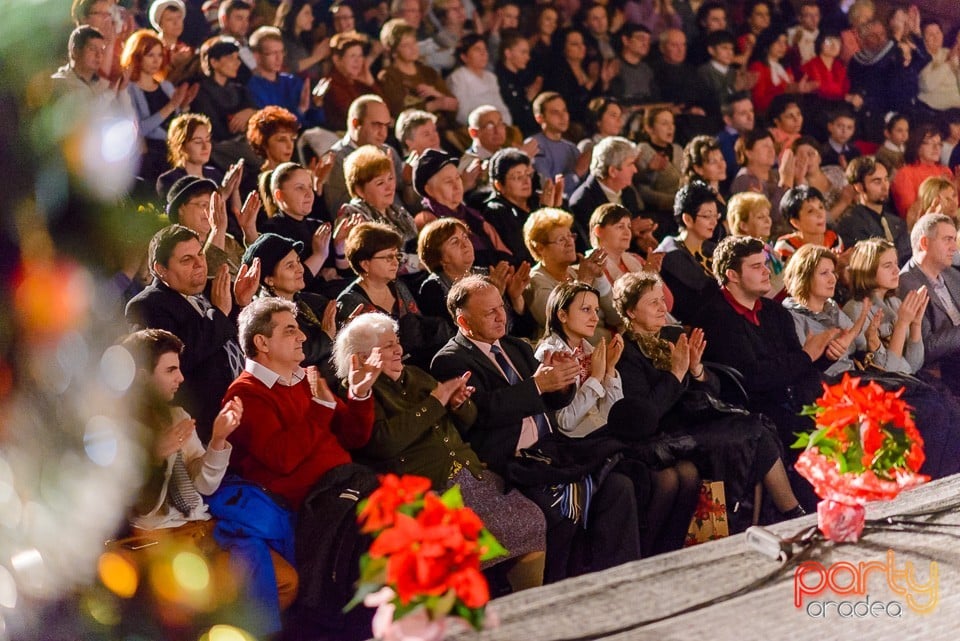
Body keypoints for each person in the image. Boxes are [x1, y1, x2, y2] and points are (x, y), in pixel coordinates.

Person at [430, 275, 642, 581]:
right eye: (489, 312)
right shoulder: (450, 359)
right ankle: (560, 594)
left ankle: (621, 581)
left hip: (550, 450)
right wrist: (538, 385)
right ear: (464, 321)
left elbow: (552, 402)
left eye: (501, 306)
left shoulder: (514, 347)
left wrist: (561, 381)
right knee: (556, 516)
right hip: (509, 462)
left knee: (619, 486)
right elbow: (482, 413)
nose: (501, 315)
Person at [334, 312, 548, 592]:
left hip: (468, 474)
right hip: (427, 488)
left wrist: (459, 404)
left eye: (396, 341)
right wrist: (436, 402)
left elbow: (468, 420)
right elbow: (383, 442)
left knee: (531, 519)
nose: (398, 349)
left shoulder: (416, 375)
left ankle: (529, 606)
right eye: (387, 346)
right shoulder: (360, 393)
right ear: (361, 358)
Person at [120, 328, 299, 629]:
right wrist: (155, 455)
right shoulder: (119, 425)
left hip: (203, 527)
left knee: (288, 581)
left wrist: (218, 440)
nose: (181, 378)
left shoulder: (176, 415)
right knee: (243, 590)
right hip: (160, 540)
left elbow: (203, 487)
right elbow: (135, 508)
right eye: (171, 370)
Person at [612, 271, 805, 528]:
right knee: (752, 433)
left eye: (662, 300)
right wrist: (676, 373)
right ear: (631, 312)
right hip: (665, 433)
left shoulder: (672, 335)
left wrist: (697, 371)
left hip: (692, 421)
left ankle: (779, 514)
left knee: (757, 425)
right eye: (652, 302)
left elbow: (713, 388)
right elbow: (648, 413)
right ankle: (786, 514)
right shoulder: (625, 352)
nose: (663, 307)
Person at [782, 242, 960, 478]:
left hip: (861, 378)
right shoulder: (796, 316)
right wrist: (899, 327)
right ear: (804, 276)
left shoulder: (836, 309)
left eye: (833, 272)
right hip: (833, 388)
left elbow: (904, 364)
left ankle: (945, 479)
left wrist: (912, 325)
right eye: (824, 273)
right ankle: (933, 480)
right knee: (931, 407)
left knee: (942, 404)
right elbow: (889, 366)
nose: (832, 278)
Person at [694, 235, 838, 508]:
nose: (766, 272)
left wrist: (823, 358)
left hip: (788, 397)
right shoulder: (715, 318)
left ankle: (850, 502)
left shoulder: (774, 312)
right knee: (807, 430)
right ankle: (810, 513)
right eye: (756, 267)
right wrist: (808, 355)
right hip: (750, 408)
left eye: (765, 264)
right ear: (732, 275)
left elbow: (796, 365)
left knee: (842, 412)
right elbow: (753, 378)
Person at [224, 296, 381, 509]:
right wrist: (320, 409)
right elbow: (283, 459)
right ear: (262, 342)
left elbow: (354, 438)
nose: (303, 336)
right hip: (305, 505)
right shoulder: (245, 393)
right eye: (290, 331)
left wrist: (359, 394)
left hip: (344, 485)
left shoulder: (308, 377)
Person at [125, 225, 259, 441]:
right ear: (161, 269)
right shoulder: (146, 306)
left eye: (200, 254)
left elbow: (236, 336)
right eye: (186, 260)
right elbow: (180, 358)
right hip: (206, 422)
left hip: (249, 402)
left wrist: (242, 303)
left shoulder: (211, 288)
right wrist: (220, 314)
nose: (200, 264)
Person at [336, 222, 452, 369]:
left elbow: (420, 323)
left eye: (396, 256)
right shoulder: (350, 301)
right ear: (365, 264)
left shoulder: (398, 286)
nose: (395, 262)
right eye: (388, 257)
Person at [241, 233, 337, 377]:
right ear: (269, 280)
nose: (300, 269)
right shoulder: (265, 317)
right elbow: (294, 357)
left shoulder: (312, 302)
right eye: (290, 266)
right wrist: (327, 337)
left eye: (298, 261)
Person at [522, 207, 615, 341]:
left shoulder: (578, 270)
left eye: (570, 236)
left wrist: (600, 277)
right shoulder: (535, 281)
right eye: (561, 239)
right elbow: (565, 325)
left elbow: (615, 316)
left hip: (605, 343)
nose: (570, 243)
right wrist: (584, 280)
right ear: (540, 248)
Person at [413, 148, 513, 267]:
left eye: (458, 178)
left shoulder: (473, 215)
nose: (457, 186)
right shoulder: (427, 220)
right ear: (429, 190)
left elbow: (503, 251)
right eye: (448, 181)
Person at [121, 28, 197, 185]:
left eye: (160, 55)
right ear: (137, 57)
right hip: (150, 152)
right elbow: (140, 129)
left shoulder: (166, 86)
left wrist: (183, 107)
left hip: (173, 147)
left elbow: (175, 121)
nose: (156, 61)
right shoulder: (130, 89)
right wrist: (171, 106)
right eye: (150, 55)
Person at [843, 238, 927, 375]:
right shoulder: (855, 310)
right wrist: (901, 324)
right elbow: (887, 371)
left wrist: (916, 324)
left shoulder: (895, 302)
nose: (897, 270)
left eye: (896, 263)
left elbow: (915, 365)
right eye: (888, 266)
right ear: (867, 270)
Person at [334, 145, 421, 273]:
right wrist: (423, 262)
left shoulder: (398, 211)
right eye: (380, 183)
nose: (389, 187)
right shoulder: (352, 215)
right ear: (359, 190)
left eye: (390, 178)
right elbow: (379, 260)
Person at [899, 214, 960, 391]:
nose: (954, 248)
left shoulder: (953, 275)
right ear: (925, 243)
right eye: (948, 240)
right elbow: (925, 347)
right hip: (943, 369)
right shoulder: (906, 284)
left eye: (954, 240)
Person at [323, 95, 407, 217]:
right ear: (356, 123)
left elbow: (407, 200)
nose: (383, 133)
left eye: (386, 126)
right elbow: (339, 209)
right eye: (376, 125)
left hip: (402, 223)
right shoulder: (336, 159)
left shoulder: (388, 151)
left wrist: (409, 182)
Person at [191, 36, 262, 170]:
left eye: (237, 58)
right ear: (214, 62)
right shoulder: (201, 92)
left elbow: (258, 115)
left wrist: (251, 112)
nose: (237, 63)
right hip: (219, 147)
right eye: (231, 58)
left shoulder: (239, 89)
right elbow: (214, 129)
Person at [258, 162, 334, 287]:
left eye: (310, 187)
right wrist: (319, 256)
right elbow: (294, 283)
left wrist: (340, 245)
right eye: (300, 188)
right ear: (279, 195)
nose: (309, 194)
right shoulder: (271, 231)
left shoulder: (316, 226)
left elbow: (338, 269)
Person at [655, 182, 722, 323]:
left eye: (716, 216)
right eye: (707, 216)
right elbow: (706, 291)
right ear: (688, 219)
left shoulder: (712, 249)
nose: (714, 222)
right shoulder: (671, 253)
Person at [589, 203, 674, 313]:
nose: (627, 232)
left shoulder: (636, 259)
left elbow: (668, 303)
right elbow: (616, 315)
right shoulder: (594, 267)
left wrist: (653, 274)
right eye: (620, 226)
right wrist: (645, 278)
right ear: (598, 231)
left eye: (629, 226)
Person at [377, 18, 458, 127]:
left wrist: (436, 94)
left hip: (441, 129)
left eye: (414, 42)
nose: (413, 48)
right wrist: (434, 105)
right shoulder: (389, 76)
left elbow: (454, 106)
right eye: (405, 45)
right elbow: (399, 113)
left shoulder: (428, 72)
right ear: (394, 51)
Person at [569, 136, 646, 247]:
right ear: (613, 171)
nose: (635, 170)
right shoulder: (582, 202)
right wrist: (629, 230)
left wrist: (641, 238)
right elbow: (591, 245)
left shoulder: (628, 192)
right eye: (630, 164)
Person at [835, 156, 911, 266]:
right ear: (859, 187)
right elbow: (872, 263)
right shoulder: (851, 223)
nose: (885, 187)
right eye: (877, 182)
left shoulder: (895, 221)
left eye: (886, 179)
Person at [730, 128, 797, 235]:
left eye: (772, 146)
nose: (771, 151)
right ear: (748, 153)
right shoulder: (744, 180)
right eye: (765, 147)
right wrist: (785, 183)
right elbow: (771, 217)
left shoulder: (776, 174)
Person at [529, 92, 590, 199]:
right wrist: (576, 173)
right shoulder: (534, 145)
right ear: (540, 118)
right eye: (555, 112)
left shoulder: (571, 148)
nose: (563, 116)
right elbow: (546, 188)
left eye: (564, 110)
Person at [725, 192, 785, 299]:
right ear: (743, 225)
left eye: (768, 215)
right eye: (760, 217)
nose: (768, 221)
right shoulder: (741, 255)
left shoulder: (767, 248)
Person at [747, 27, 816, 116]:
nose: (783, 46)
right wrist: (784, 90)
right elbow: (758, 103)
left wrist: (798, 90)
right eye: (778, 42)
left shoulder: (785, 68)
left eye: (785, 42)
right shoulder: (758, 67)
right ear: (768, 43)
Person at [890, 122, 954, 220]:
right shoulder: (905, 174)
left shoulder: (945, 171)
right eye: (930, 143)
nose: (936, 148)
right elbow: (909, 214)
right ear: (917, 146)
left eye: (939, 144)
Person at [323, 32, 384, 132]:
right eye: (352, 56)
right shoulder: (331, 85)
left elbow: (383, 109)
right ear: (337, 59)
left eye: (360, 56)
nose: (358, 61)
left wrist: (371, 84)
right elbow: (355, 116)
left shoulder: (359, 82)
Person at [447, 33, 511, 128]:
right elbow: (461, 112)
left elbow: (500, 106)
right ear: (464, 57)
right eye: (477, 49)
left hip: (498, 126)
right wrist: (485, 125)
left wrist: (505, 124)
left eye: (485, 49)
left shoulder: (491, 77)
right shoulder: (458, 77)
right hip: (475, 127)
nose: (483, 53)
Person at [635, 109, 683, 229]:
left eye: (672, 123)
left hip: (682, 209)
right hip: (659, 214)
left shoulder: (678, 149)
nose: (670, 128)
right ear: (649, 128)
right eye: (664, 123)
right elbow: (642, 190)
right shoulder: (642, 150)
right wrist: (651, 170)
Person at [773, 185, 844, 262]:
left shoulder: (834, 239)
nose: (820, 214)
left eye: (821, 207)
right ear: (795, 222)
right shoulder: (786, 246)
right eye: (810, 211)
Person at [917, 19, 960, 113]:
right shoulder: (922, 57)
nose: (936, 37)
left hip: (955, 114)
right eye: (931, 34)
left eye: (938, 32)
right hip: (930, 112)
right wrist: (948, 63)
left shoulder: (948, 52)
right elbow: (927, 85)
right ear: (923, 39)